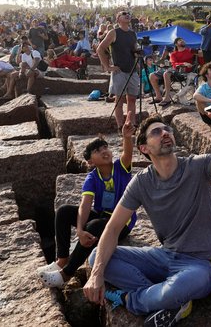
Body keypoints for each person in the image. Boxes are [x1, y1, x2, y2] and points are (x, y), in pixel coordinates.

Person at [82, 111, 211, 325]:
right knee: (95, 258)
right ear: (144, 148)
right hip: (164, 257)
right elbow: (113, 227)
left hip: (200, 265)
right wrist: (96, 274)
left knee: (182, 285)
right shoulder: (141, 182)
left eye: (167, 130)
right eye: (156, 132)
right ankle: (167, 299)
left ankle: (132, 299)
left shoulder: (198, 166)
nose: (165, 133)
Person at [37, 120, 137, 288]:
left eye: (105, 147)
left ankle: (66, 274)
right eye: (98, 151)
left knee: (94, 225)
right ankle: (62, 259)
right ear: (90, 162)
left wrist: (127, 137)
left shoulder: (120, 167)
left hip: (122, 222)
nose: (104, 151)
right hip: (102, 216)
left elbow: (127, 153)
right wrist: (80, 230)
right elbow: (85, 205)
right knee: (63, 211)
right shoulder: (92, 178)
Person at [97, 11, 140, 130]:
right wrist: (108, 67)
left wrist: (138, 53)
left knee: (132, 99)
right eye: (123, 14)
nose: (127, 15)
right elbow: (100, 49)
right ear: (118, 19)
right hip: (119, 71)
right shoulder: (114, 32)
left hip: (132, 69)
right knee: (119, 100)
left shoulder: (132, 34)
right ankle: (121, 126)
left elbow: (133, 50)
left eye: (128, 13)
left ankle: (131, 124)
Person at [149, 37, 198, 106]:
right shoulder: (173, 54)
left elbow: (199, 58)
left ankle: (167, 98)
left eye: (183, 40)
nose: (182, 41)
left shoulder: (190, 51)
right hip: (174, 70)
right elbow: (174, 64)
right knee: (152, 75)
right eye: (180, 40)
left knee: (166, 73)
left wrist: (198, 55)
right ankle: (158, 96)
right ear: (176, 44)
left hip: (184, 73)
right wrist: (183, 63)